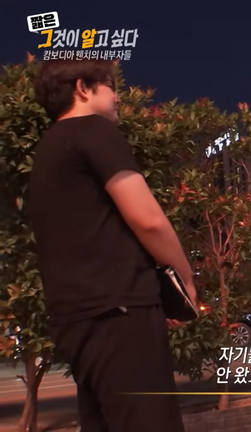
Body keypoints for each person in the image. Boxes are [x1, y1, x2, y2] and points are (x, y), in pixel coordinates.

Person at [30, 60, 195, 432]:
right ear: (82, 88)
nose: (118, 96)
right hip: (119, 314)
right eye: (110, 86)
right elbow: (148, 220)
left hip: (77, 320)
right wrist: (184, 280)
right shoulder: (92, 130)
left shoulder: (48, 150)